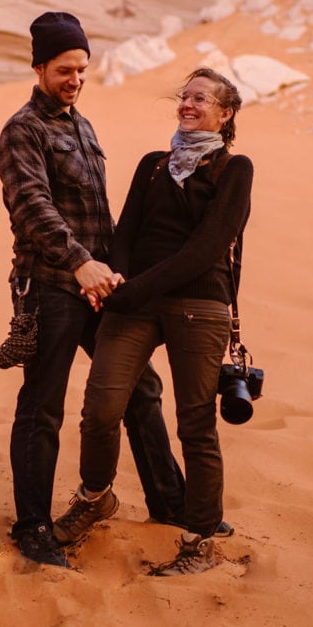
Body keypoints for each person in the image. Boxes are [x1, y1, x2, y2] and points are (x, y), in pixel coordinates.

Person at [0, 11, 187, 568]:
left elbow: (99, 215)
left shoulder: (83, 126)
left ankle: (170, 503)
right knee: (43, 408)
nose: (75, 79)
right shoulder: (22, 131)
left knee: (140, 389)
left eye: (81, 69)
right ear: (38, 68)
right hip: (50, 287)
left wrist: (117, 273)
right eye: (64, 70)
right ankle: (32, 526)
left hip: (100, 289)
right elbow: (32, 207)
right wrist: (80, 263)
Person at [52, 67, 253, 576]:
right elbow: (125, 232)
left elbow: (206, 249)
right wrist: (117, 279)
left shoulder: (235, 169)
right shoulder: (152, 164)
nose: (187, 105)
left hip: (199, 304)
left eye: (201, 99)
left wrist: (132, 289)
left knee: (196, 426)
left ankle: (199, 540)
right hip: (135, 303)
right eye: (184, 96)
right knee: (101, 407)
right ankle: (95, 497)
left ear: (225, 114)